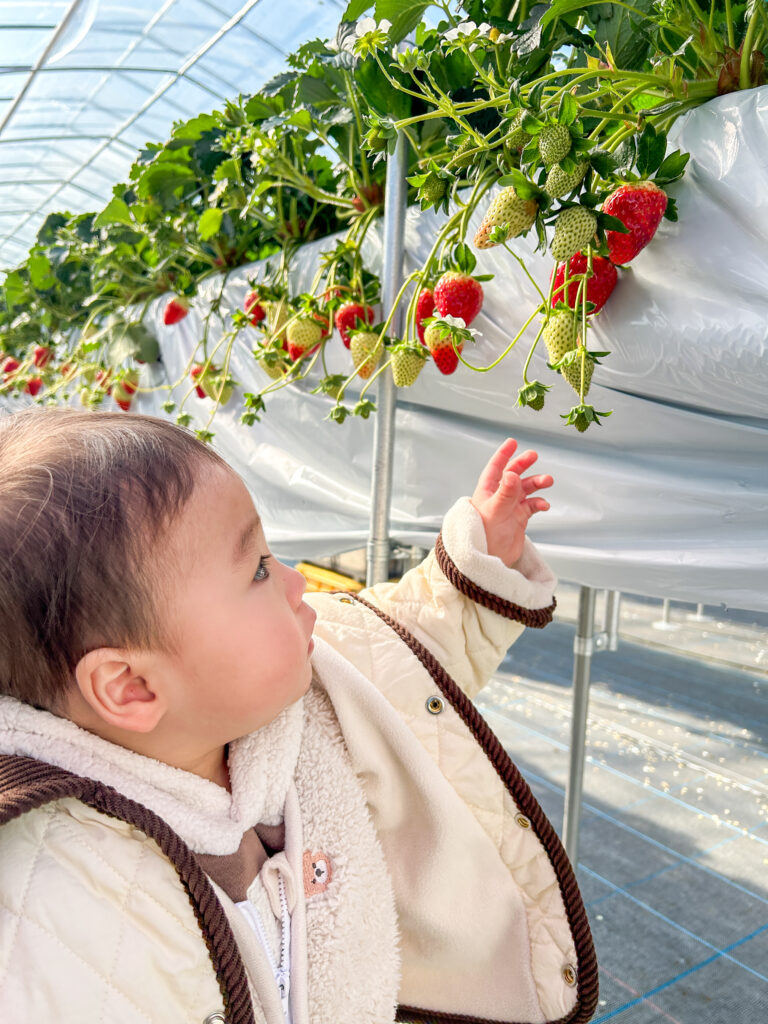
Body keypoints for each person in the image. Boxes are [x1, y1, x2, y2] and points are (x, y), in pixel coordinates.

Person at [0, 408, 597, 1024]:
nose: (297, 583)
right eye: (258, 569)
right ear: (131, 686)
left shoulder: (313, 698)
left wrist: (476, 567)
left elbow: (401, 647)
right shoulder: (52, 897)